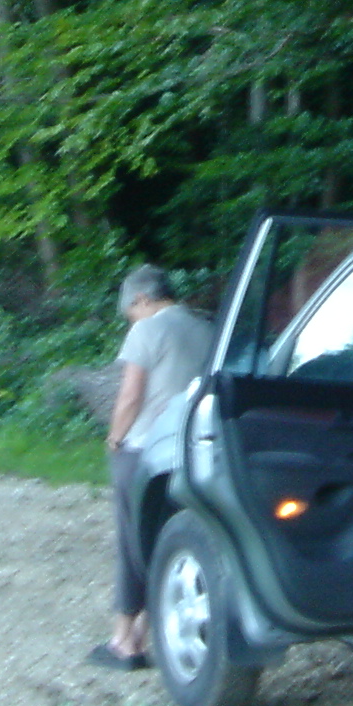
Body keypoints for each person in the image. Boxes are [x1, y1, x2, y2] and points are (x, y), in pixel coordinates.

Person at [93, 263, 215, 669]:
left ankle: (123, 642)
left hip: (145, 448)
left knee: (132, 542)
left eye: (130, 312)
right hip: (192, 448)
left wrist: (115, 438)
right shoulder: (206, 328)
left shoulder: (147, 330)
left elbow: (131, 396)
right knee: (166, 539)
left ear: (142, 299)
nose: (131, 320)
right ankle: (142, 634)